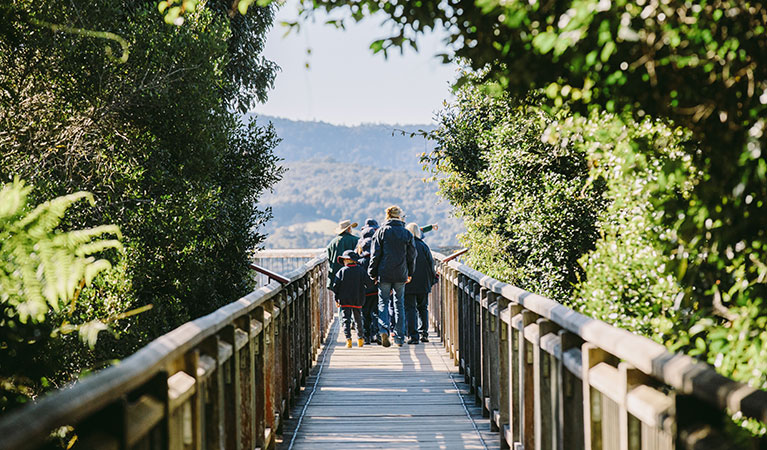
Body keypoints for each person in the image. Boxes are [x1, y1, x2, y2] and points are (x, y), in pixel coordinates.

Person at [368, 205, 416, 347]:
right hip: (401, 273)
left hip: (384, 273)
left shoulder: (381, 232)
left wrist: (372, 272)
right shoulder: (406, 233)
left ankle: (383, 329)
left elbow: (375, 254)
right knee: (399, 303)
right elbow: (412, 255)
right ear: (399, 216)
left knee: (383, 302)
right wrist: (410, 272)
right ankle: (400, 337)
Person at [404, 223, 437, 345]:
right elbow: (431, 264)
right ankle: (424, 333)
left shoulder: (405, 246)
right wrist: (432, 279)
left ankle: (413, 335)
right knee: (423, 307)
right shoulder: (424, 246)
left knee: (410, 308)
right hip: (423, 282)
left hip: (408, 281)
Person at [331, 250, 368, 348]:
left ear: (347, 260)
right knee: (358, 319)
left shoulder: (341, 271)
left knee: (346, 319)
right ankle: (360, 339)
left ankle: (348, 340)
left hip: (345, 300)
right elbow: (368, 283)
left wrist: (336, 298)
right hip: (358, 299)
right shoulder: (361, 270)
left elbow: (336, 286)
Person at [356, 219, 380, 344]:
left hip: (364, 291)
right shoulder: (377, 255)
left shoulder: (359, 261)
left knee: (365, 314)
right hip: (377, 288)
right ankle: (377, 333)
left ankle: (366, 336)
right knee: (377, 311)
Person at [326, 219, 359, 288]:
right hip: (353, 275)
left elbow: (328, 257)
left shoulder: (333, 242)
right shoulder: (356, 240)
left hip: (336, 275)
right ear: (349, 229)